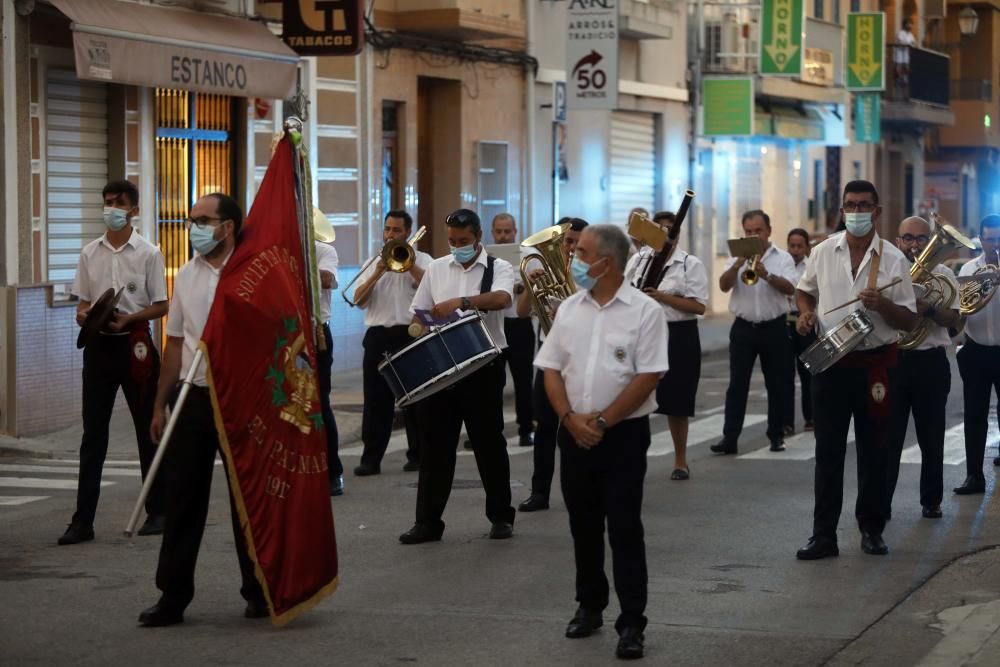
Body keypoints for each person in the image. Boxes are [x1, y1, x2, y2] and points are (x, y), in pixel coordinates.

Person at [535, 224, 668, 660]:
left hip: (623, 436)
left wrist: (604, 421)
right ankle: (589, 605)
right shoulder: (570, 309)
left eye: (582, 251)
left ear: (606, 263)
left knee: (625, 527)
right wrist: (570, 419)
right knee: (583, 525)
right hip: (573, 433)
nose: (573, 257)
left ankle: (632, 622)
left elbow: (648, 374)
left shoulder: (645, 311)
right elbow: (551, 368)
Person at [139, 193, 267, 626]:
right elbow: (174, 344)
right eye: (190, 220)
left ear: (227, 226)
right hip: (193, 397)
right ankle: (172, 595)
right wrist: (161, 404)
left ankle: (258, 590)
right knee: (182, 499)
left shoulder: (251, 273)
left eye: (201, 220)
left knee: (245, 499)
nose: (192, 227)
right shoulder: (187, 276)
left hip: (241, 397)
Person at [795, 180, 917, 560]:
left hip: (876, 366)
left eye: (864, 205)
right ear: (842, 210)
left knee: (875, 450)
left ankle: (872, 528)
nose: (857, 212)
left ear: (877, 211)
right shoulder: (822, 252)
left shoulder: (893, 259)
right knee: (828, 452)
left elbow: (909, 322)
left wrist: (883, 305)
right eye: (850, 205)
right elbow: (804, 290)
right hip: (832, 364)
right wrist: (804, 312)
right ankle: (823, 535)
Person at [59, 179, 168, 546]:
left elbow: (163, 304)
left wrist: (131, 319)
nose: (112, 209)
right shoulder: (90, 253)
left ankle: (157, 511)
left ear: (134, 209)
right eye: (107, 202)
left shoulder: (149, 253)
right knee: (93, 436)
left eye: (119, 203)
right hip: (99, 349)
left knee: (146, 431)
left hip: (135, 345)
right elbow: (83, 302)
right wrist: (84, 314)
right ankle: (82, 521)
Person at [399, 209, 516, 544]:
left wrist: (460, 302)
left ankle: (500, 516)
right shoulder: (437, 268)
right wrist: (423, 324)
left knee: (488, 444)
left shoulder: (498, 267)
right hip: (443, 366)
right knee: (435, 447)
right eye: (452, 241)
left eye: (463, 241)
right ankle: (427, 522)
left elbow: (502, 298)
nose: (457, 246)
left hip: (483, 367)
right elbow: (419, 312)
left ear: (478, 235)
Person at [885, 216, 958, 518]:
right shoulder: (887, 273)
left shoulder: (944, 274)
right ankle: (880, 504)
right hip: (893, 361)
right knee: (886, 438)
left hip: (930, 363)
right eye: (908, 238)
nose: (914, 244)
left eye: (921, 238)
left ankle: (932, 500)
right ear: (898, 241)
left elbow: (953, 320)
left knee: (932, 436)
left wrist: (928, 307)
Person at [712, 210, 796, 455]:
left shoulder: (782, 258)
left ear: (768, 231)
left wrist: (767, 275)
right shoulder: (737, 256)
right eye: (748, 231)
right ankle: (730, 438)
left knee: (777, 384)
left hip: (774, 327)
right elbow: (724, 285)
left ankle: (776, 435)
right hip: (743, 328)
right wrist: (738, 264)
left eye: (757, 230)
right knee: (737, 385)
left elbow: (790, 288)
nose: (753, 235)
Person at [517, 217, 587, 512]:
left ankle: (584, 489)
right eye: (566, 242)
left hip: (584, 360)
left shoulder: (591, 276)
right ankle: (539, 492)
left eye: (576, 243)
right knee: (544, 426)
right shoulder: (543, 273)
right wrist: (528, 286)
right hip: (551, 359)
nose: (570, 248)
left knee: (579, 428)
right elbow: (521, 313)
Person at [353, 210, 430, 476]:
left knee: (415, 399)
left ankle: (418, 455)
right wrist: (376, 273)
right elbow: (358, 300)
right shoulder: (373, 262)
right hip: (377, 336)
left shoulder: (424, 260)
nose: (390, 235)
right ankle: (371, 458)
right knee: (375, 401)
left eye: (396, 230)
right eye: (387, 229)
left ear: (407, 233)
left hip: (410, 333)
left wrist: (411, 268)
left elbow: (433, 293)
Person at [638, 211, 708, 480]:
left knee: (678, 400)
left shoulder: (691, 263)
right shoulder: (640, 260)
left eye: (672, 230)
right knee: (637, 397)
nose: (668, 234)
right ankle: (635, 457)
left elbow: (699, 306)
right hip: (644, 332)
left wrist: (664, 297)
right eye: (662, 229)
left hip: (679, 333)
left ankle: (680, 461)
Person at [955, 214, 1000, 495]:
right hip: (976, 349)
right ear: (980, 239)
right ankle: (974, 476)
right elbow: (962, 310)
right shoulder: (969, 269)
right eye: (989, 238)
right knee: (975, 414)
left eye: (998, 238)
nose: (994, 244)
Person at [492, 212, 535, 447]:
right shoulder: (485, 257)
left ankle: (526, 428)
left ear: (515, 232)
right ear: (492, 233)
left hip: (519, 324)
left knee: (523, 381)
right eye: (499, 231)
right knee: (491, 383)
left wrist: (522, 286)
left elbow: (535, 283)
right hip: (493, 324)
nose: (503, 235)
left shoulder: (527, 256)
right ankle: (489, 430)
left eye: (507, 231)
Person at [314, 220, 345, 496]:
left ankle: (333, 471)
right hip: (285, 334)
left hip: (317, 334)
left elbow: (328, 279)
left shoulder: (323, 250)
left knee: (321, 404)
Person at [784, 228, 815, 435]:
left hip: (804, 322)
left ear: (806, 247)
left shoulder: (811, 266)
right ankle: (786, 422)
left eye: (799, 246)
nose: (795, 250)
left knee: (807, 373)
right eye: (792, 245)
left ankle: (811, 417)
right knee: (785, 375)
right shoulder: (782, 264)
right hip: (786, 322)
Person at [894, 18, 918, 93]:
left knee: (907, 67)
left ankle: (905, 80)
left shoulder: (910, 34)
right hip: (900, 53)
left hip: (906, 54)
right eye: (908, 24)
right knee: (899, 67)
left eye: (911, 24)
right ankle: (898, 80)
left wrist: (912, 44)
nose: (910, 26)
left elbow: (914, 43)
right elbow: (900, 41)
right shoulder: (900, 33)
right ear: (905, 25)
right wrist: (908, 44)